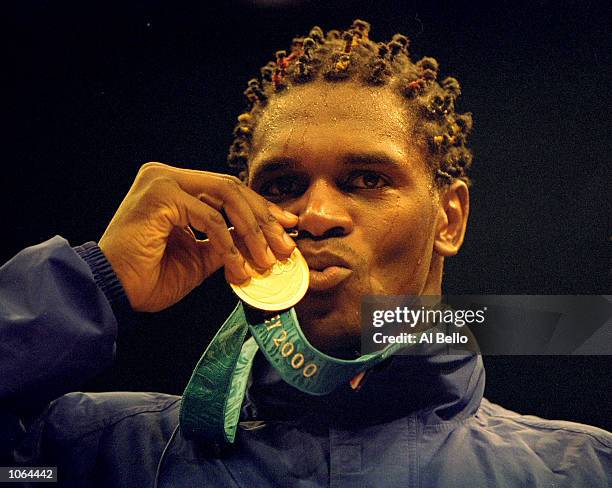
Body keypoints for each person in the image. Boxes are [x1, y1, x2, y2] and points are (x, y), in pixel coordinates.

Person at [1, 19, 610, 487]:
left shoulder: (583, 470)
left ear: (449, 218)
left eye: (366, 179)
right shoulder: (97, 456)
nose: (315, 215)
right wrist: (95, 285)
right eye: (282, 186)